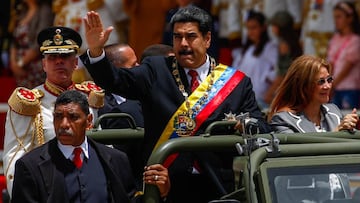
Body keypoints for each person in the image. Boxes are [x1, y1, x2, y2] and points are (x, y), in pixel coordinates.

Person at [81, 7, 271, 202]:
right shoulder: (156, 69)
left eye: (191, 37)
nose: (183, 44)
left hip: (218, 187)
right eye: (177, 37)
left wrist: (245, 125)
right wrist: (96, 51)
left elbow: (261, 126)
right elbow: (116, 80)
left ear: (207, 39)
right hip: (165, 186)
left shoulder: (236, 83)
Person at [11, 90, 170, 202]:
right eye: (58, 117)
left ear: (88, 121)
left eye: (73, 117)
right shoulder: (30, 166)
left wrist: (158, 193)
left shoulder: (115, 160)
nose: (64, 124)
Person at [2, 26, 105, 196]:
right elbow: (15, 157)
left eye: (65, 56)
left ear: (75, 63)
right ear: (44, 64)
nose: (59, 61)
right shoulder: (29, 103)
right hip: (48, 188)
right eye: (52, 57)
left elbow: (102, 146)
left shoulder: (89, 97)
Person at [268, 55, 358, 133]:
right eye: (321, 81)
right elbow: (300, 151)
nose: (327, 86)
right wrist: (337, 132)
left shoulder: (333, 111)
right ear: (303, 86)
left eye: (329, 80)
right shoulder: (283, 120)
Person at [232, 10, 278, 110]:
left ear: (263, 28)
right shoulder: (246, 50)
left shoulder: (270, 48)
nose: (250, 32)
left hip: (261, 102)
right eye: (248, 28)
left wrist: (269, 94)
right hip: (244, 100)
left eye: (254, 28)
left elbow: (280, 75)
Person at [9, 0, 54, 88]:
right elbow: (14, 40)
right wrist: (13, 63)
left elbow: (40, 41)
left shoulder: (45, 11)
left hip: (36, 65)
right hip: (19, 66)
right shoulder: (22, 10)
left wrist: (20, 64)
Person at [264, 11, 303, 108]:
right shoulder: (295, 42)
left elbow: (283, 73)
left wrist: (270, 93)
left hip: (288, 88)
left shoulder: (284, 45)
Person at [327, 1, 360, 109]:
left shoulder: (355, 40)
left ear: (350, 18)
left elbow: (348, 67)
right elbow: (331, 63)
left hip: (350, 88)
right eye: (334, 17)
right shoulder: (335, 38)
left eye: (339, 17)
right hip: (335, 88)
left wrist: (333, 84)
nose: (336, 21)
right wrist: (329, 83)